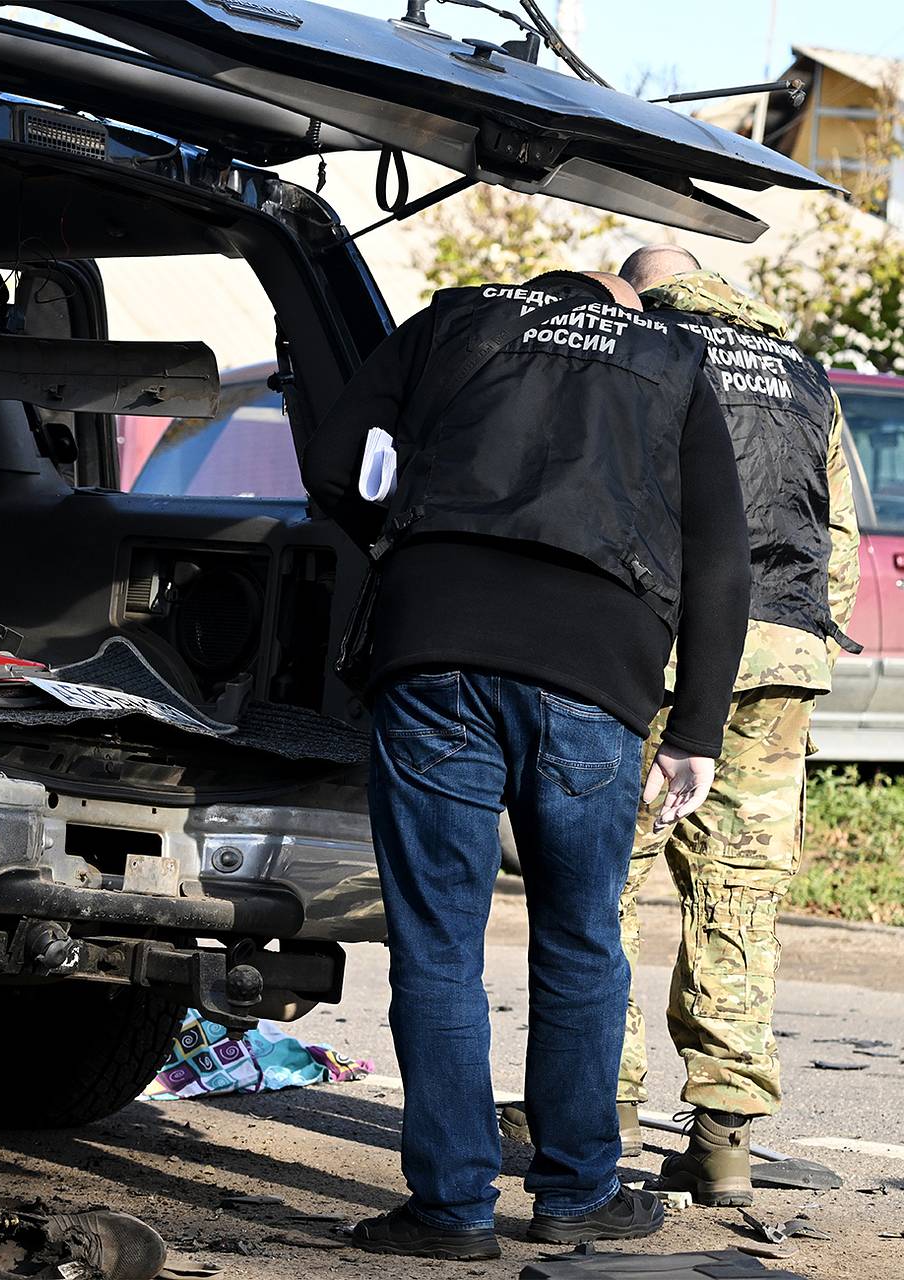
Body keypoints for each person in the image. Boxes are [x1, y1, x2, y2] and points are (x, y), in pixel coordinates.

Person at [301, 269, 751, 1260]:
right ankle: (575, 1191)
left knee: (437, 942)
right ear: (618, 309)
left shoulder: (456, 317)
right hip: (593, 665)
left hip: (432, 639)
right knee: (582, 933)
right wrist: (696, 732)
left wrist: (400, 540)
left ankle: (451, 1208)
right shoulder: (670, 357)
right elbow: (720, 552)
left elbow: (334, 456)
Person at [613, 246, 861, 1206]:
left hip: (665, 648)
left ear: (641, 286)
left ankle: (600, 1102)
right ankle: (723, 1138)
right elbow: (835, 533)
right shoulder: (803, 371)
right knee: (740, 899)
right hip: (784, 659)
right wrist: (807, 652)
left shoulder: (642, 342)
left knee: (608, 876)